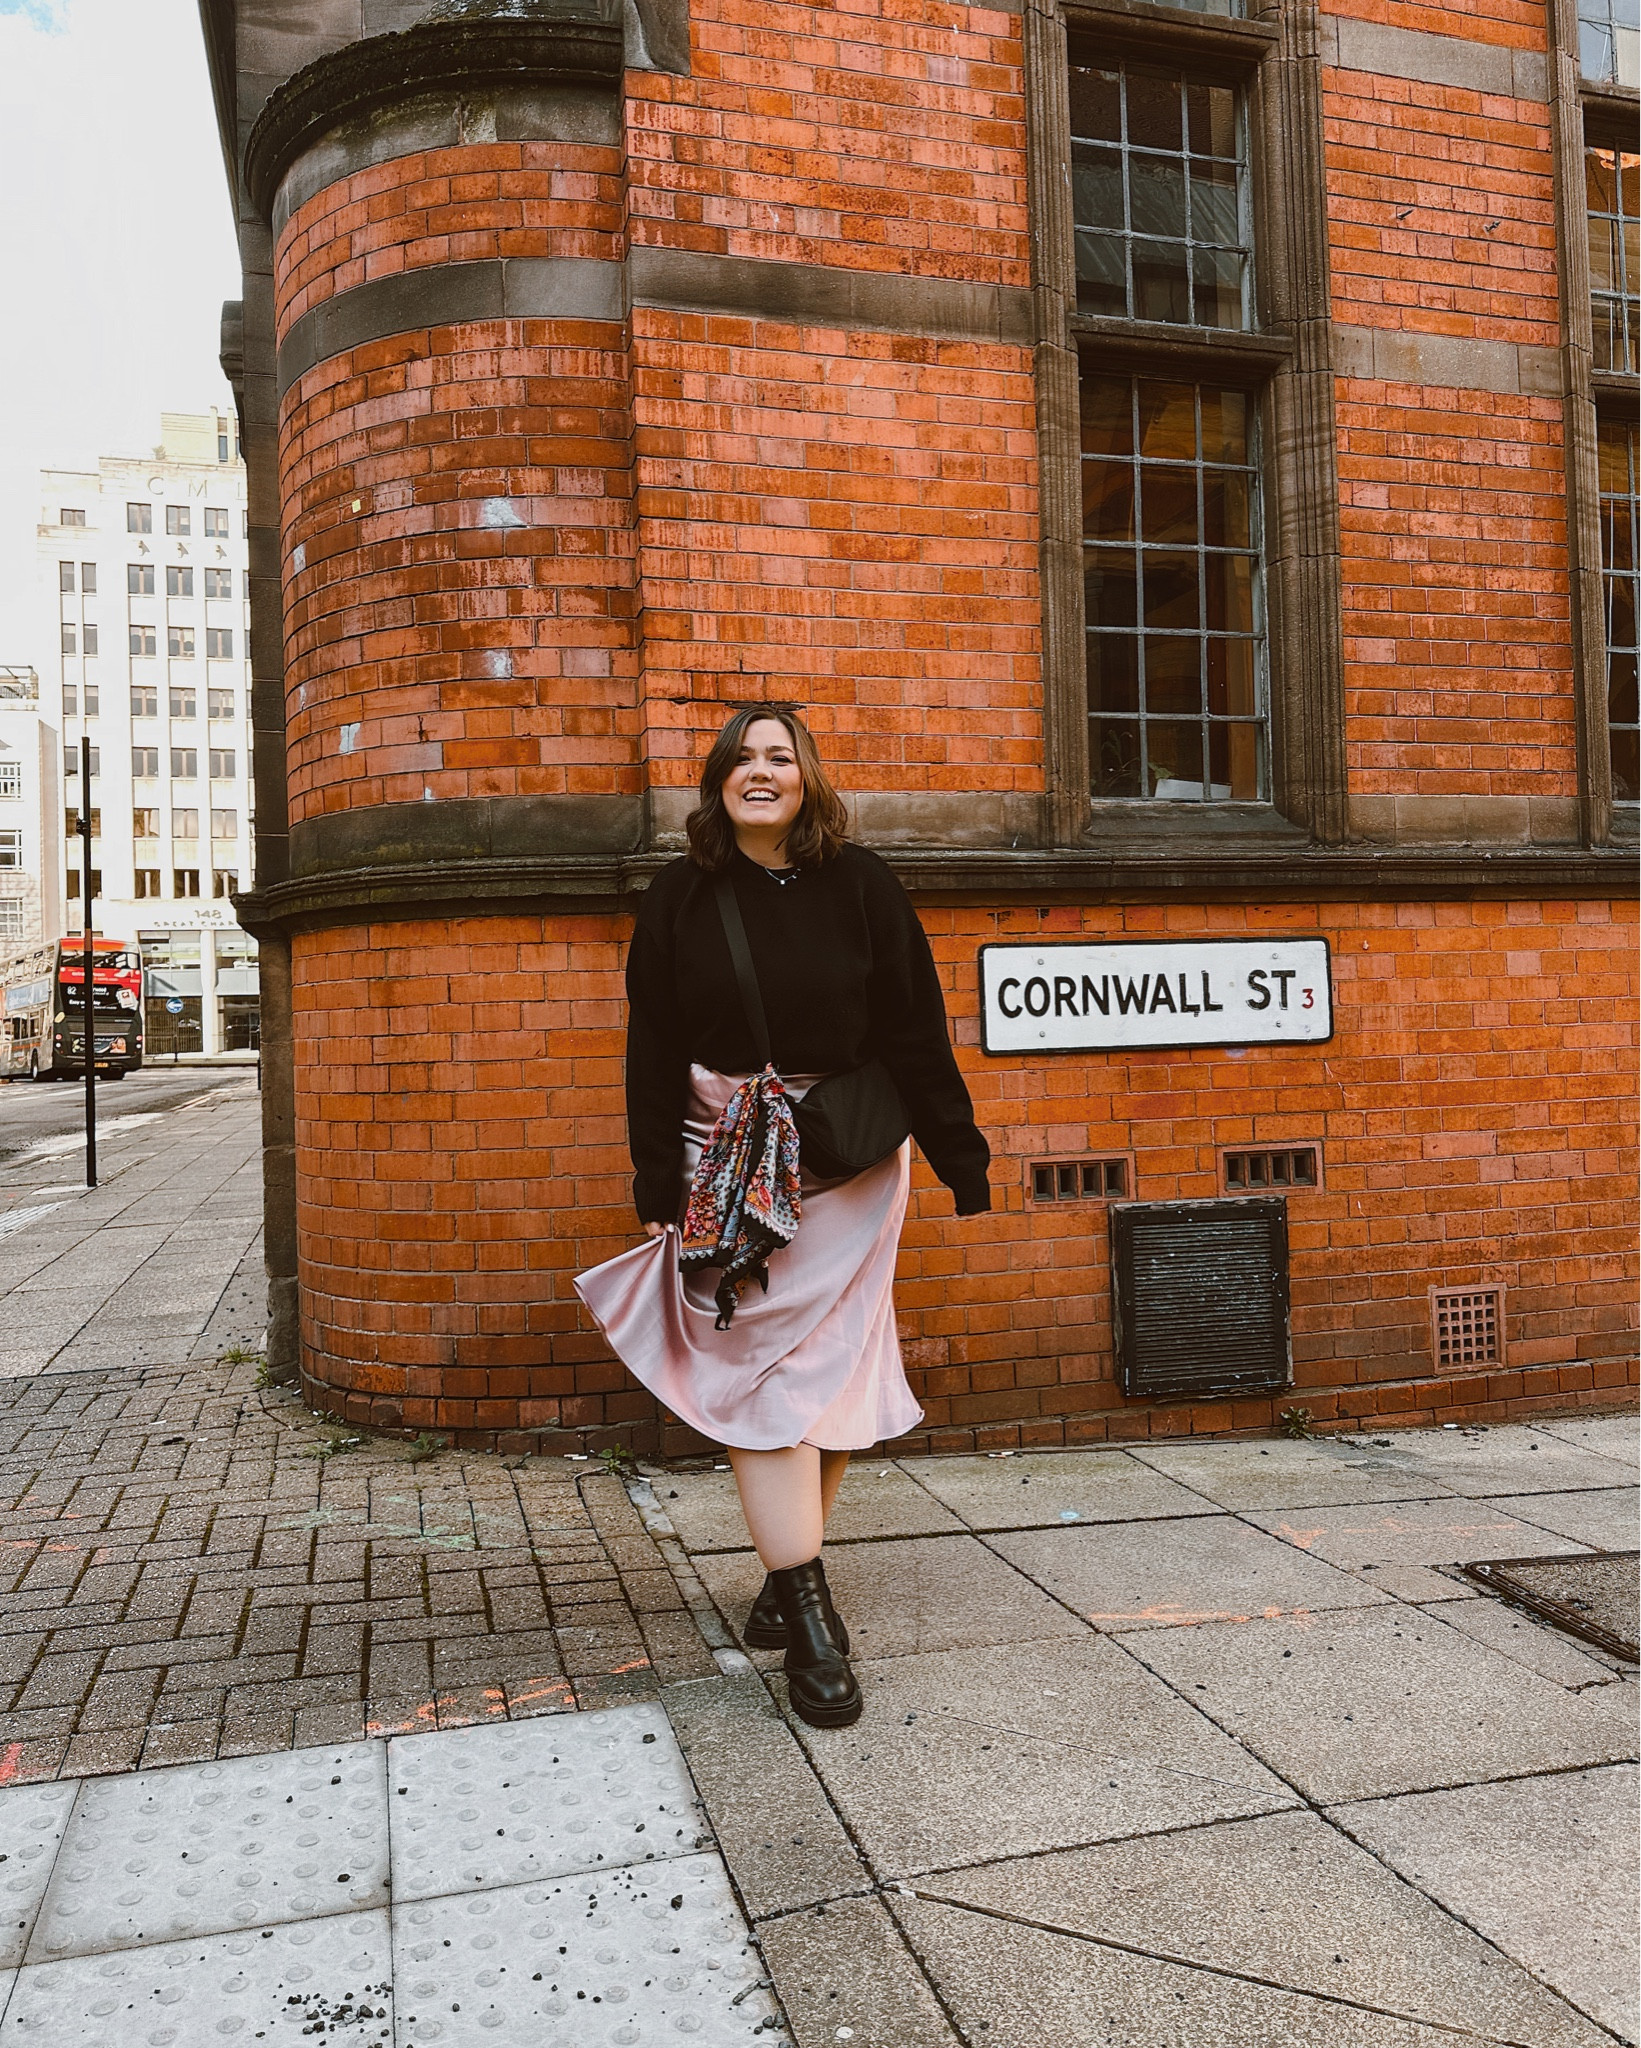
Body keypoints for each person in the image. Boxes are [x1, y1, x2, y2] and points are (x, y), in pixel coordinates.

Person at [576, 705, 991, 1728]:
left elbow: (913, 1028)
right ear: (718, 779)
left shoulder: (864, 884)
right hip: (722, 1168)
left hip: (846, 1164)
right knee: (766, 1381)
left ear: (808, 778)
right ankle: (809, 1620)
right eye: (743, 758)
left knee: (835, 1369)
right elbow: (650, 1050)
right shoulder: (678, 896)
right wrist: (654, 1187)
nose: (762, 772)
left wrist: (959, 1152)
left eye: (781, 756)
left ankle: (781, 1575)